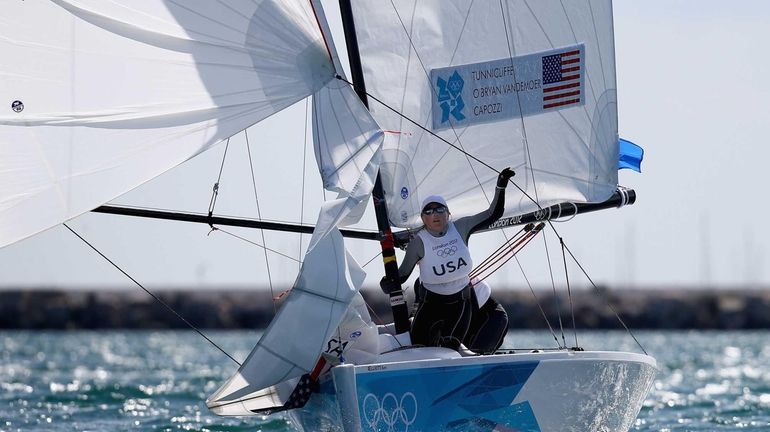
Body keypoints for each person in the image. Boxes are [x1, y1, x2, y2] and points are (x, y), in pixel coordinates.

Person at [381, 167, 514, 350]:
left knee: (454, 347)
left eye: (439, 209)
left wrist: (501, 186)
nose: (434, 214)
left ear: (448, 214)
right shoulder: (419, 247)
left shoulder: (460, 228)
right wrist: (387, 282)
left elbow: (493, 214)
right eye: (428, 211)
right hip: (435, 306)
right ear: (422, 218)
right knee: (421, 346)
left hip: (480, 312)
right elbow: (401, 275)